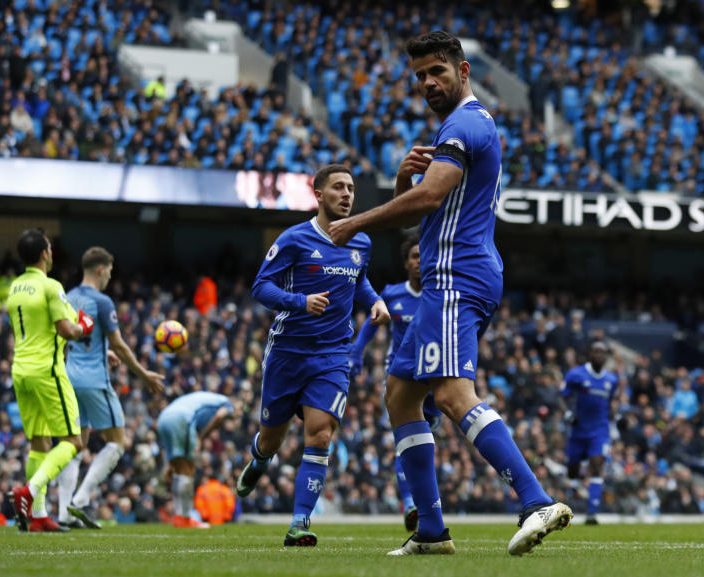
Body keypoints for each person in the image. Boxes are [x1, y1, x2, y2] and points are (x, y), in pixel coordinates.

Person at [327, 31, 571, 556]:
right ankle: (432, 532)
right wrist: (399, 185)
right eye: (418, 75)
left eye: (436, 71)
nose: (427, 83)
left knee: (452, 394)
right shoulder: (455, 128)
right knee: (400, 394)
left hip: (457, 277)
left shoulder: (463, 124)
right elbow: (424, 208)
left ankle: (536, 501)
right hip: (453, 272)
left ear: (463, 70)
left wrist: (355, 224)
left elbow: (430, 197)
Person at [236, 164, 389, 547]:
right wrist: (299, 301)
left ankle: (299, 523)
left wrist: (375, 301)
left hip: (334, 354)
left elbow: (359, 279)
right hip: (288, 351)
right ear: (318, 195)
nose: (347, 194)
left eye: (351, 188)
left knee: (320, 434)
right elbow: (260, 287)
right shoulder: (294, 239)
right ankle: (259, 459)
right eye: (338, 187)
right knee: (272, 439)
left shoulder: (361, 242)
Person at [57, 247, 165, 529]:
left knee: (73, 446)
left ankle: (63, 512)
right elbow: (118, 342)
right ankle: (79, 501)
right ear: (101, 270)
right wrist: (143, 375)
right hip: (94, 380)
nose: (110, 278)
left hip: (69, 376)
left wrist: (101, 351)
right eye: (110, 272)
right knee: (118, 442)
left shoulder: (68, 296)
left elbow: (72, 337)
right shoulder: (102, 301)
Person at [348, 234, 441, 532]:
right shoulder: (393, 293)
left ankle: (421, 504)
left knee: (423, 445)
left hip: (433, 378)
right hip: (401, 378)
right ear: (406, 263)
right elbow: (372, 324)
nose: (419, 262)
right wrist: (357, 352)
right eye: (414, 256)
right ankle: (411, 504)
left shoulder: (439, 295)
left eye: (423, 256)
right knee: (406, 443)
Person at [6, 228, 96, 532]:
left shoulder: (15, 288)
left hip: (21, 370)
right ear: (45, 253)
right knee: (73, 440)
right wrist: (84, 326)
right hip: (47, 371)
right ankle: (29, 493)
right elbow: (68, 330)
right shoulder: (50, 286)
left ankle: (39, 516)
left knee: (39, 441)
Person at [156, 391, 235, 529]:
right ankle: (184, 518)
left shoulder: (207, 398)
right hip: (182, 419)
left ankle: (179, 517)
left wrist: (170, 464)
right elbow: (219, 416)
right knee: (188, 470)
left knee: (179, 471)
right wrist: (201, 437)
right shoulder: (227, 403)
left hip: (164, 418)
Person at [561, 341, 619, 525]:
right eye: (596, 352)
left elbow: (609, 404)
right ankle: (572, 499)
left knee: (597, 464)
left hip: (600, 429)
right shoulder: (576, 374)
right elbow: (562, 396)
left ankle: (592, 512)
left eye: (602, 353)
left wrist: (616, 416)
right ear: (589, 354)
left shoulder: (612, 380)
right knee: (572, 469)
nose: (599, 356)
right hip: (578, 429)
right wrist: (567, 413)